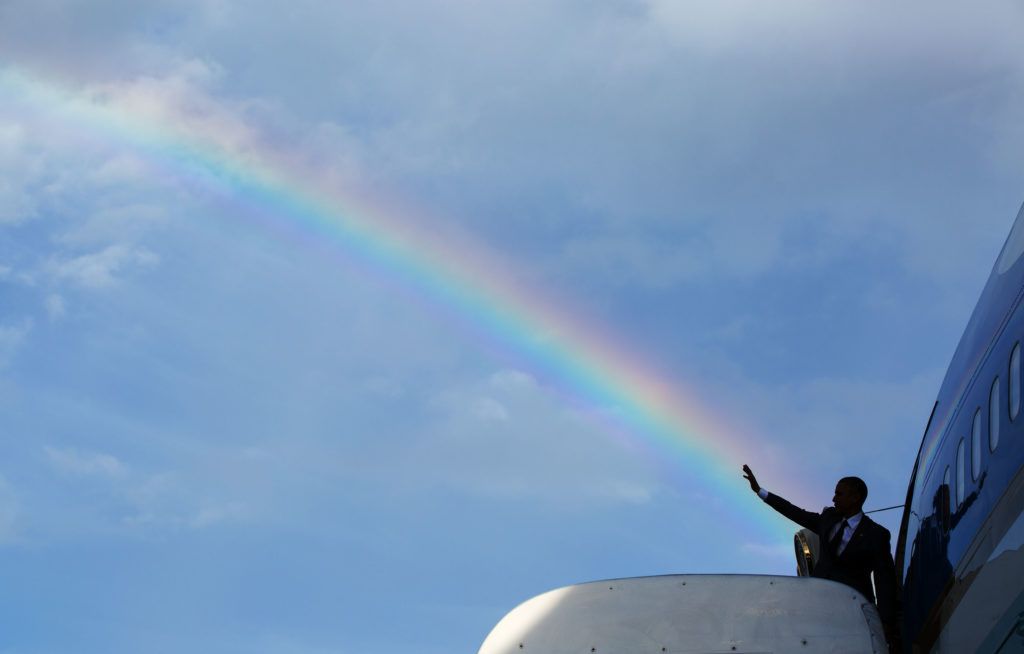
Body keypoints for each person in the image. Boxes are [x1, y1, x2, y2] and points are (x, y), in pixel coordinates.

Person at [742, 464, 899, 649]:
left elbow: (885, 579)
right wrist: (760, 492)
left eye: (839, 494)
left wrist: (887, 623)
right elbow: (795, 512)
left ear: (856, 498)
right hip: (819, 602)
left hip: (853, 610)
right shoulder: (828, 519)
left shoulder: (877, 534)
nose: (834, 499)